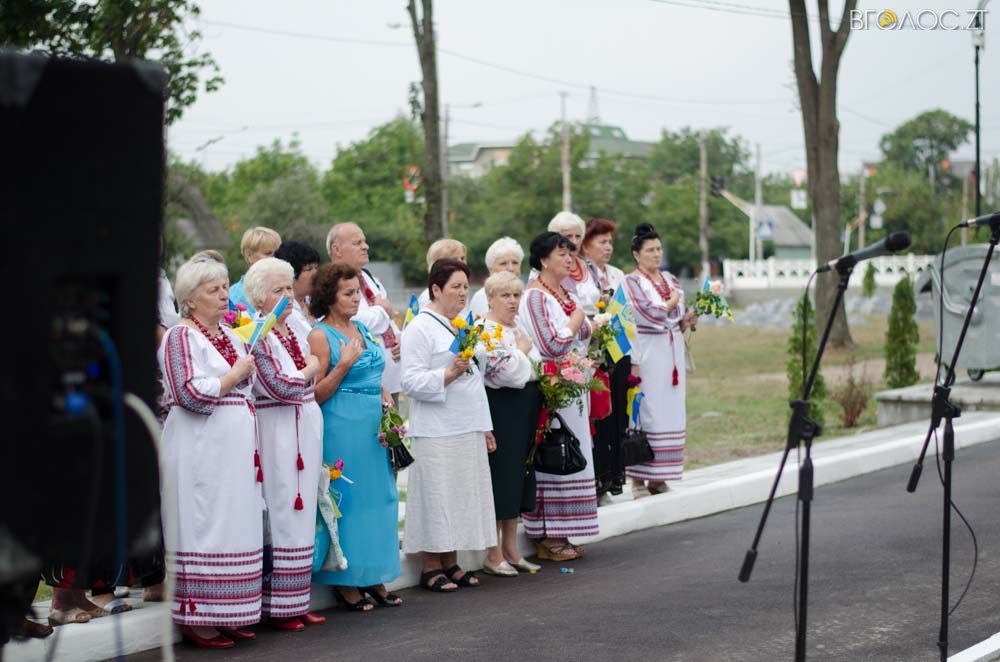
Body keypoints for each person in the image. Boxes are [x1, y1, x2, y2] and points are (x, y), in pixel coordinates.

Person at [158, 257, 260, 649]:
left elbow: (243, 388)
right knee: (202, 524)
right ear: (189, 299)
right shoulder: (180, 337)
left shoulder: (232, 336)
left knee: (233, 522)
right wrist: (235, 376)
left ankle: (228, 611)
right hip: (199, 445)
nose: (223, 295)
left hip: (232, 449)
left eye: (224, 287)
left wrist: (241, 377)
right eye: (212, 289)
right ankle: (198, 617)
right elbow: (187, 392)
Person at [400, 258, 497, 592]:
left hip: (466, 422)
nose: (461, 293)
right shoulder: (419, 327)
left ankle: (451, 561)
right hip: (437, 427)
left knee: (460, 494)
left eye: (464, 287)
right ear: (436, 289)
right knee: (437, 494)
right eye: (454, 286)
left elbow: (475, 380)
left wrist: (485, 426)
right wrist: (449, 374)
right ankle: (430, 565)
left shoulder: (459, 324)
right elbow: (410, 381)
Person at [309, 264, 402, 611]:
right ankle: (345, 580)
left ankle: (373, 574)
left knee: (380, 499)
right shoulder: (320, 335)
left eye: (356, 292)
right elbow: (316, 393)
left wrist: (382, 391)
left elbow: (375, 367)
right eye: (347, 293)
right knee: (348, 501)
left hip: (372, 424)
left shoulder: (362, 327)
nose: (355, 299)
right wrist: (344, 364)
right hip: (341, 424)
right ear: (329, 297)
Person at [244, 258, 325, 629]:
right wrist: (308, 368)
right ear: (260, 298)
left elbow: (303, 377)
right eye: (278, 290)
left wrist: (306, 370)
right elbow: (281, 385)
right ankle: (276, 604)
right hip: (276, 427)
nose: (288, 296)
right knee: (280, 508)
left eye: (290, 288)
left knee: (302, 510)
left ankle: (295, 598)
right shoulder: (257, 331)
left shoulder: (292, 325)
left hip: (302, 424)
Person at [518, 232, 597, 562]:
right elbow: (551, 344)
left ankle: (564, 530)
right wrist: (577, 320)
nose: (569, 259)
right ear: (544, 259)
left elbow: (584, 334)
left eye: (571, 253)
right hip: (553, 384)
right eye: (561, 253)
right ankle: (549, 536)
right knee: (556, 450)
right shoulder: (535, 297)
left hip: (571, 381)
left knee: (573, 449)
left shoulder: (563, 293)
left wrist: (579, 328)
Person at [475, 272, 543, 577]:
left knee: (519, 474)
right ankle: (493, 553)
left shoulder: (518, 327)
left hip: (525, 406)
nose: (512, 301)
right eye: (505, 295)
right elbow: (506, 375)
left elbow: (536, 365)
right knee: (501, 476)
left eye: (516, 295)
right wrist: (522, 353)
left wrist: (524, 357)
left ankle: (511, 548)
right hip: (501, 408)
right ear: (490, 298)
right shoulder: (486, 329)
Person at [624, 223, 698, 497]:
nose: (656, 254)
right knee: (647, 410)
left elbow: (673, 317)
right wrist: (671, 305)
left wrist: (686, 318)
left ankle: (660, 476)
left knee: (670, 410)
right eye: (650, 250)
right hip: (647, 352)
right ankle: (638, 478)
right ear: (636, 254)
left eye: (659, 249)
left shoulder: (670, 280)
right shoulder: (632, 282)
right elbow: (649, 314)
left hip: (671, 352)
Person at [582, 217, 630, 500]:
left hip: (618, 349)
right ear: (586, 246)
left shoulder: (617, 274)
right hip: (593, 351)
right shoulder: (581, 274)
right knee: (598, 416)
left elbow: (627, 313)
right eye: (602, 242)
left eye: (610, 242)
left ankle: (613, 479)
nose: (608, 247)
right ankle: (596, 481)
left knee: (616, 416)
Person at [327, 222, 402, 397]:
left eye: (364, 241)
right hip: (363, 385)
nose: (365, 246)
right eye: (357, 243)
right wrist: (380, 311)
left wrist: (399, 337)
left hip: (391, 380)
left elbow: (389, 319)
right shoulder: (329, 284)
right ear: (336, 249)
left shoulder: (369, 277)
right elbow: (344, 324)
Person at [546, 211, 601, 314]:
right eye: (568, 236)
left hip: (597, 327)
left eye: (578, 236)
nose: (574, 242)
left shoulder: (590, 267)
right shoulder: (547, 267)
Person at [230, 227, 282, 314]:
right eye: (268, 253)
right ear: (249, 255)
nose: (274, 259)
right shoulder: (237, 294)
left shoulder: (285, 288)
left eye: (277, 254)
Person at [469, 237, 524, 319]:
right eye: (503, 263)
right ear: (491, 268)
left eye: (515, 263)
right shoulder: (483, 296)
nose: (511, 268)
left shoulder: (525, 294)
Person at [274, 240, 322, 328]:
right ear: (291, 274)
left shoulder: (316, 301)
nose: (316, 273)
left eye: (316, 268)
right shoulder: (284, 311)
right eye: (309, 269)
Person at [417, 238, 469, 316]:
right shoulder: (428, 297)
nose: (461, 262)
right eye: (454, 259)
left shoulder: (462, 291)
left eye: (462, 258)